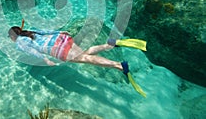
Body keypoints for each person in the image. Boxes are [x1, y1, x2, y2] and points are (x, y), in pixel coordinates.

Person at [8, 20, 147, 97]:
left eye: (10, 37)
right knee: (85, 53)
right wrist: (62, 32)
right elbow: (48, 32)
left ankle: (119, 65)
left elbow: (32, 51)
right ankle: (110, 44)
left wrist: (45, 60)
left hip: (57, 50)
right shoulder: (30, 31)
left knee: (86, 59)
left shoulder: (19, 43)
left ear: (13, 36)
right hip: (62, 39)